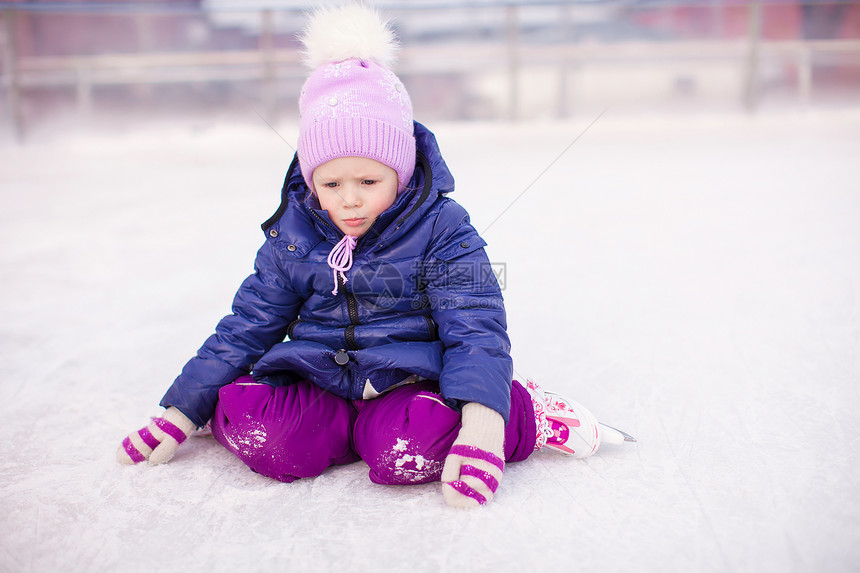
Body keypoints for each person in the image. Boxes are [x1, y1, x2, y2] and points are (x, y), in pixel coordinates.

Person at [116, 5, 631, 509]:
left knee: (405, 447)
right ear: (311, 179)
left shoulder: (444, 229)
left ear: (401, 174)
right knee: (258, 425)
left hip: (407, 382)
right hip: (319, 377)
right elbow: (247, 324)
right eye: (331, 183)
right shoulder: (292, 236)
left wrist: (483, 425)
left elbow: (475, 326)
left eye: (368, 181)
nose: (350, 199)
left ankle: (524, 412)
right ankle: (334, 434)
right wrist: (184, 409)